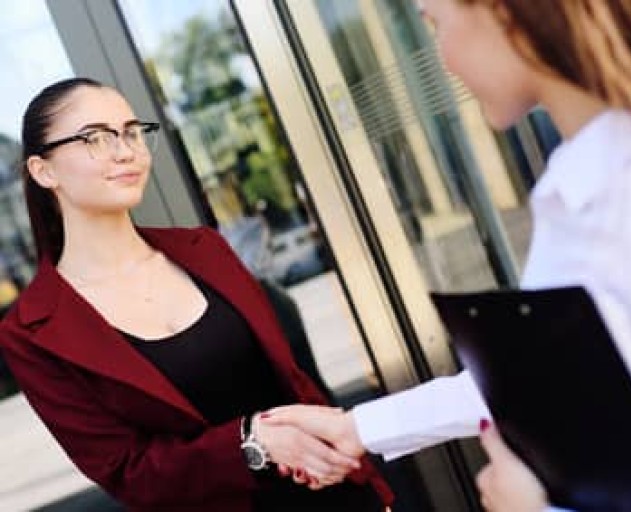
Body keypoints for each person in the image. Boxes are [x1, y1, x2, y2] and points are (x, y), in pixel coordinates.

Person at [260, 0, 631, 511]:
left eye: (436, 23)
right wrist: (357, 428)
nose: (443, 57)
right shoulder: (585, 189)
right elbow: (546, 379)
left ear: (505, 15)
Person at [0, 77, 393, 512]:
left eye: (131, 132)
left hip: (338, 496)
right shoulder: (31, 332)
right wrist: (252, 441)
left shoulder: (205, 250)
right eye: (95, 137)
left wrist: (361, 475)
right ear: (43, 170)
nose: (125, 150)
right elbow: (131, 475)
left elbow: (297, 380)